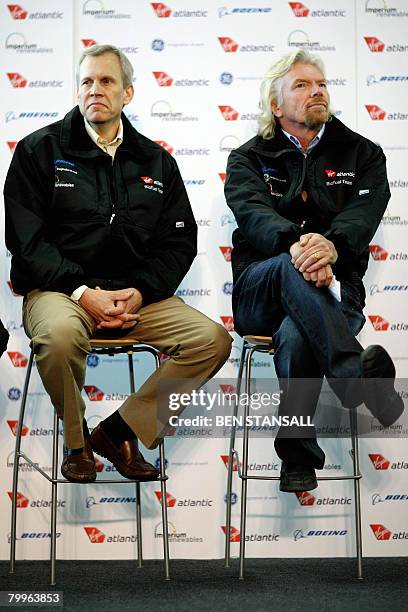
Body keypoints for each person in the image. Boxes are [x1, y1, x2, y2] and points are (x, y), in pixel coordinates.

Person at [4, 44, 231, 484]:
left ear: (127, 92)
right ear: (77, 92)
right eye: (86, 82)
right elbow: (25, 240)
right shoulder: (39, 151)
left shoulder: (156, 161)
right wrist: (83, 293)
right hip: (61, 293)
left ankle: (119, 430)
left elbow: (179, 242)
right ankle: (77, 444)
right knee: (59, 335)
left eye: (106, 81)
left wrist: (141, 290)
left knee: (212, 340)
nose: (95, 90)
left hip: (134, 297)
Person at [224, 49, 404, 493]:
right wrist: (300, 248)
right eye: (301, 85)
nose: (316, 91)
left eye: (321, 84)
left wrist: (330, 248)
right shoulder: (248, 158)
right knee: (288, 266)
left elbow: (363, 215)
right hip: (259, 289)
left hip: (337, 289)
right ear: (276, 104)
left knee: (295, 333)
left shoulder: (363, 154)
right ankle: (353, 380)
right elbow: (253, 216)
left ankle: (297, 458)